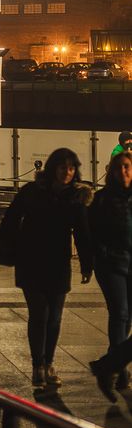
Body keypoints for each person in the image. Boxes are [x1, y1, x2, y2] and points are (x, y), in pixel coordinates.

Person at [1, 147, 93, 389]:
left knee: (55, 318)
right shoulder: (32, 192)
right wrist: (11, 248)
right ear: (53, 168)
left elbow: (83, 233)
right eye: (63, 167)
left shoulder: (75, 198)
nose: (67, 173)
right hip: (31, 261)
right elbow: (11, 219)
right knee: (39, 314)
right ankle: (38, 365)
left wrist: (87, 264)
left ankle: (49, 362)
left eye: (71, 168)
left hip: (58, 263)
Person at [88, 151, 132, 391]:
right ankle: (119, 369)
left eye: (127, 167)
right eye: (119, 168)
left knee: (128, 316)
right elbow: (91, 232)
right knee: (120, 313)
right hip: (112, 264)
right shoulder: (103, 199)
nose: (123, 172)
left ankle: (110, 364)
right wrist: (100, 255)